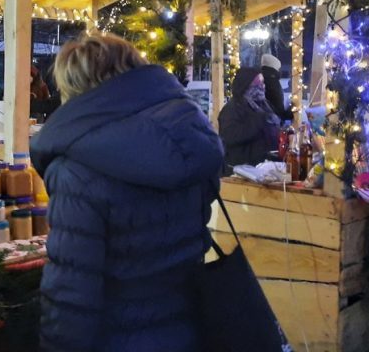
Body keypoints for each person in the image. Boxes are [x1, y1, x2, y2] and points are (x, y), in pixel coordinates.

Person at [30, 33, 224, 351]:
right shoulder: (189, 137)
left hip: (116, 338)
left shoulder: (78, 168)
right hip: (189, 330)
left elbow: (71, 295)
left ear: (76, 88)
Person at [218, 66, 281, 174]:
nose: (262, 87)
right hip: (241, 170)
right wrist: (259, 121)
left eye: (263, 83)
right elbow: (230, 136)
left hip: (264, 167)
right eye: (258, 83)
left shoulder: (264, 105)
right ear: (246, 85)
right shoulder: (232, 108)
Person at [260, 53, 293, 122]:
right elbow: (276, 107)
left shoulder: (261, 79)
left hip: (265, 122)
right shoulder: (272, 82)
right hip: (272, 123)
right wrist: (289, 112)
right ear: (274, 68)